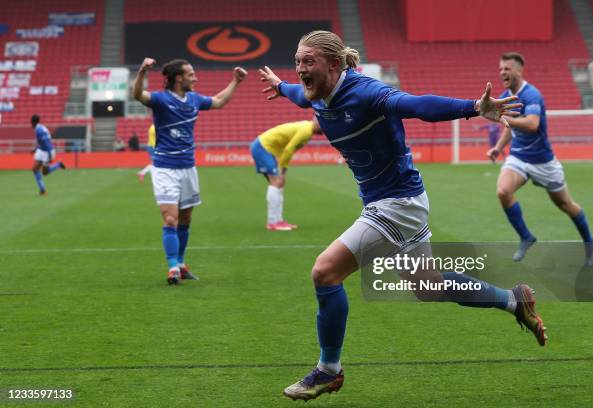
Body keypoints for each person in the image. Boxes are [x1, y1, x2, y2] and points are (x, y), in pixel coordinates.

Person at [259, 31, 547, 401]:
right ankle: (513, 300)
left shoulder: (365, 92)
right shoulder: (317, 92)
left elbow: (417, 105)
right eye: (297, 61)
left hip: (396, 204)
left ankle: (328, 370)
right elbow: (301, 96)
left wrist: (475, 107)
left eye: (307, 62)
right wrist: (280, 85)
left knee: (325, 272)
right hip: (399, 201)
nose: (300, 69)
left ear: (333, 65)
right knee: (429, 287)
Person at [133, 57, 247, 284]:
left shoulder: (194, 100)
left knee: (186, 218)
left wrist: (236, 81)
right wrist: (142, 71)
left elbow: (218, 101)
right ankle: (172, 266)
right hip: (165, 168)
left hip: (188, 167)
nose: (195, 77)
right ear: (179, 78)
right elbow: (138, 95)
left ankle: (181, 263)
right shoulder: (161, 99)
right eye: (191, 73)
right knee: (170, 219)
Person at [487, 52, 593, 265]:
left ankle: (590, 244)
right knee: (503, 191)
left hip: (543, 162)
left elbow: (532, 124)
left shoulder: (532, 95)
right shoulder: (505, 95)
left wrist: (502, 117)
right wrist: (498, 148)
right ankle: (526, 237)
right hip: (518, 157)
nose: (503, 72)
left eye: (507, 68)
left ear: (519, 70)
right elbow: (510, 126)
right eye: (501, 69)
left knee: (566, 204)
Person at [250, 117, 323, 230]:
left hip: (265, 148)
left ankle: (278, 220)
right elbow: (289, 150)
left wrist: (283, 171)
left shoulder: (307, 130)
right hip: (263, 147)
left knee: (278, 184)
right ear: (316, 120)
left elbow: (289, 150)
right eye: (323, 123)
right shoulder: (306, 130)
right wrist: (282, 172)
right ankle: (273, 222)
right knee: (276, 183)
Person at [31, 114, 65, 196]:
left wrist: (49, 156)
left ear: (32, 122)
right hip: (42, 150)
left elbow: (46, 142)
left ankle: (58, 165)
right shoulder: (40, 127)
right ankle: (42, 191)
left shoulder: (38, 130)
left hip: (47, 152)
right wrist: (35, 149)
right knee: (35, 169)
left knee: (45, 172)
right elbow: (41, 141)